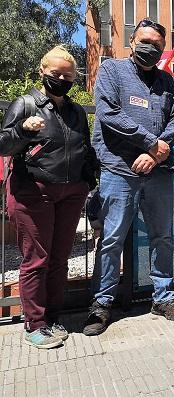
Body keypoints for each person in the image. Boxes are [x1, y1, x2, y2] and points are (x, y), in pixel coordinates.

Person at [84, 19, 174, 336]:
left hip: (157, 172)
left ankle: (163, 297)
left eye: (156, 45)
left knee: (162, 237)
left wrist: (155, 154)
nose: (150, 49)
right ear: (132, 40)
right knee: (112, 239)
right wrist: (148, 141)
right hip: (118, 170)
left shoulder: (169, 82)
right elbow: (108, 113)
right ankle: (101, 305)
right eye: (144, 41)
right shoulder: (112, 70)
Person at [0, 45, 98, 348]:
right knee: (36, 259)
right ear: (43, 72)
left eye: (68, 76)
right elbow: (3, 144)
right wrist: (24, 131)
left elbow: (84, 147)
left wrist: (90, 178)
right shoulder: (26, 103)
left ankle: (53, 315)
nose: (62, 79)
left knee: (59, 259)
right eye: (56, 74)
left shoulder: (76, 110)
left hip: (71, 193)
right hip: (33, 192)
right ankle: (34, 322)